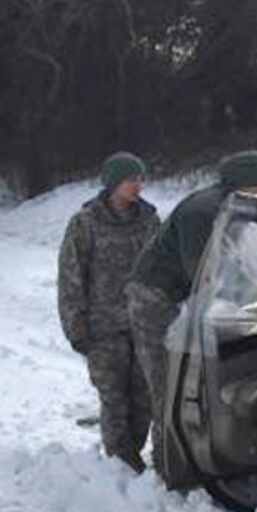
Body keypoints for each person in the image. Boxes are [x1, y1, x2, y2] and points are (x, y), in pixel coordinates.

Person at [126, 150, 257, 477]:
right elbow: (206, 274)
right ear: (247, 184)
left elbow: (237, 263)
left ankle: (196, 458)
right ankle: (169, 470)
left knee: (196, 380)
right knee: (168, 382)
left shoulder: (238, 209)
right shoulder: (203, 211)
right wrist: (247, 300)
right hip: (156, 299)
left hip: (185, 297)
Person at [58, 151, 160, 472]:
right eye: (132, 179)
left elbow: (162, 268)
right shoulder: (85, 224)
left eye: (141, 179)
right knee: (114, 399)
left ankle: (133, 456)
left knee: (144, 398)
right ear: (114, 183)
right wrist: (76, 327)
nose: (138, 185)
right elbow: (71, 278)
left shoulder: (149, 220)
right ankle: (121, 464)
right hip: (103, 330)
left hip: (143, 326)